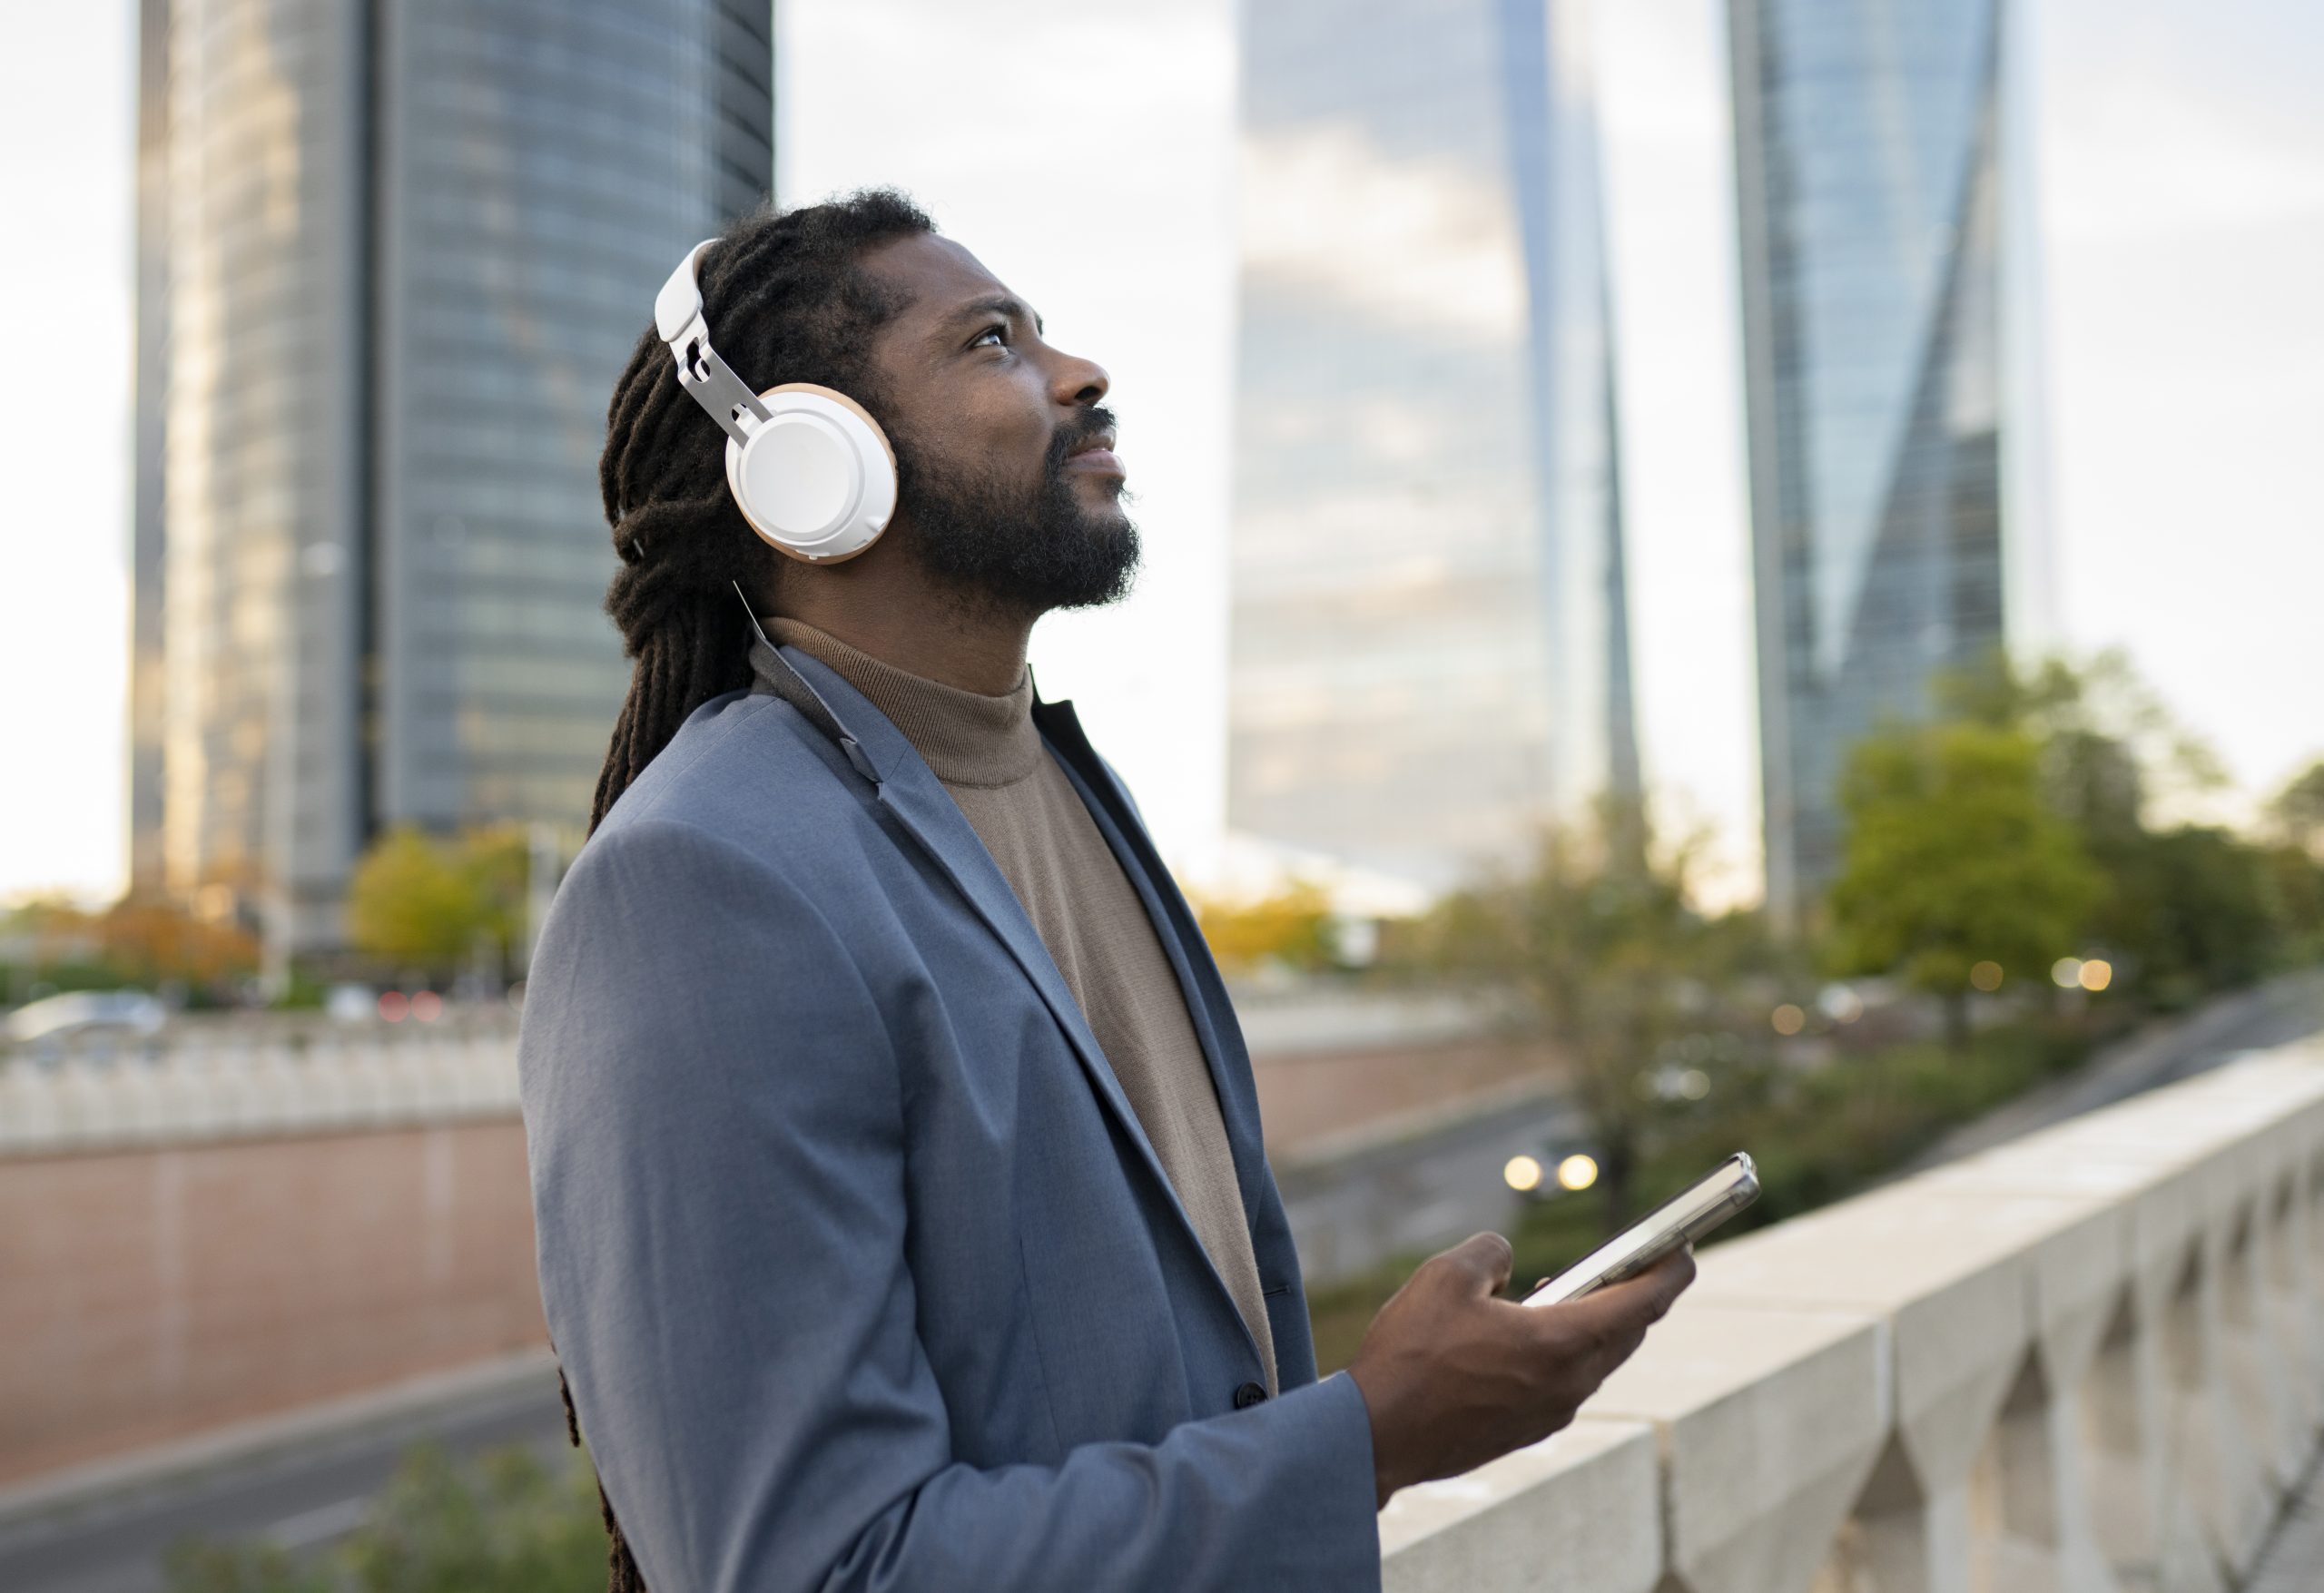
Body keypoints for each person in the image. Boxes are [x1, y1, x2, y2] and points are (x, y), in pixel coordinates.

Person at [519, 190, 1695, 1593]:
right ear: (809, 464)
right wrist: (1368, 1441)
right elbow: (820, 1568)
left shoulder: (1074, 789)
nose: (1079, 374)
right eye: (993, 343)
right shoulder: (702, 884)